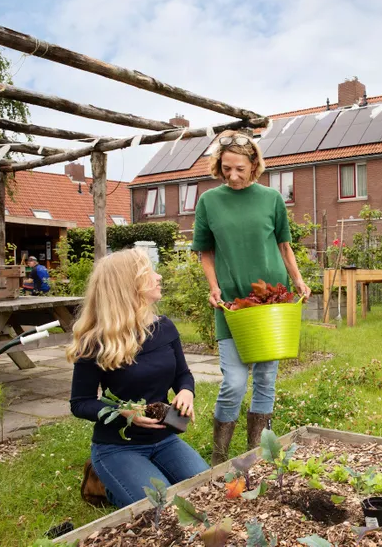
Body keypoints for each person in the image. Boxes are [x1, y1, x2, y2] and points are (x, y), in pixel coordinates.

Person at [191, 129, 312, 466]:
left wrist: (299, 280)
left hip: (272, 302)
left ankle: (257, 455)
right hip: (231, 304)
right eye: (226, 168)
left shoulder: (271, 199)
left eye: (240, 169)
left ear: (254, 164)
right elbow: (205, 251)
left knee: (266, 379)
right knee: (233, 382)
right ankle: (218, 458)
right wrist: (213, 287)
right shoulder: (209, 201)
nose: (233, 175)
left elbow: (284, 245)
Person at [68, 248, 208, 509]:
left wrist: (186, 391)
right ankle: (105, 484)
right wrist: (123, 412)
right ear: (128, 286)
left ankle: (138, 476)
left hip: (165, 440)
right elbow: (81, 403)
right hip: (117, 447)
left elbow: (182, 375)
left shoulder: (164, 327)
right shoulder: (95, 342)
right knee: (163, 509)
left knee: (209, 491)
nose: (159, 277)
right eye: (149, 273)